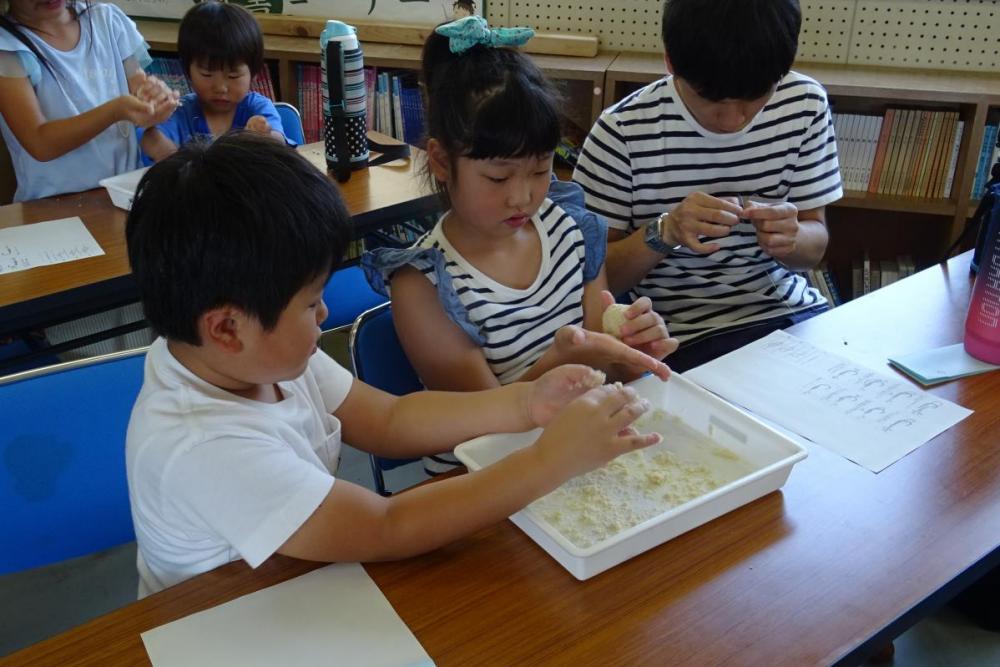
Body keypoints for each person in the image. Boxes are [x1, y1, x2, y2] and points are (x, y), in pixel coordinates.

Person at [124, 132, 664, 597]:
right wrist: (550, 462)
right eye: (311, 303)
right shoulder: (205, 444)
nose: (326, 313)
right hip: (228, 624)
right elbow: (387, 527)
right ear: (225, 327)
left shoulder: (252, 359)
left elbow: (390, 421)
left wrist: (526, 402)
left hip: (301, 587)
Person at [364, 16, 676, 394]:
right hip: (499, 452)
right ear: (442, 161)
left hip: (585, 433)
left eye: (540, 170)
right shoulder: (425, 283)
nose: (523, 197)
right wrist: (559, 361)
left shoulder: (569, 231)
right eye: (499, 178)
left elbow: (609, 370)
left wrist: (633, 352)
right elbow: (476, 426)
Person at [573, 0, 842, 373]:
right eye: (711, 99)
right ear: (670, 62)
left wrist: (792, 237)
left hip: (789, 317)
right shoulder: (621, 132)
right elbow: (596, 281)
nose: (733, 120)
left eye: (755, 96)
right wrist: (664, 231)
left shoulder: (804, 104)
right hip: (673, 335)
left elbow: (815, 245)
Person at [0, 0, 177, 201]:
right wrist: (115, 110)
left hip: (123, 193)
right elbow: (40, 143)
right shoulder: (7, 48)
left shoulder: (107, 20)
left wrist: (155, 99)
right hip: (52, 205)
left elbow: (139, 90)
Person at [140, 1, 287, 163]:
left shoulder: (257, 107)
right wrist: (153, 134)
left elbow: (279, 142)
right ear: (187, 71)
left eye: (233, 76)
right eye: (207, 74)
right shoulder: (180, 113)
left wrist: (265, 137)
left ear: (254, 74)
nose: (220, 88)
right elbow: (151, 141)